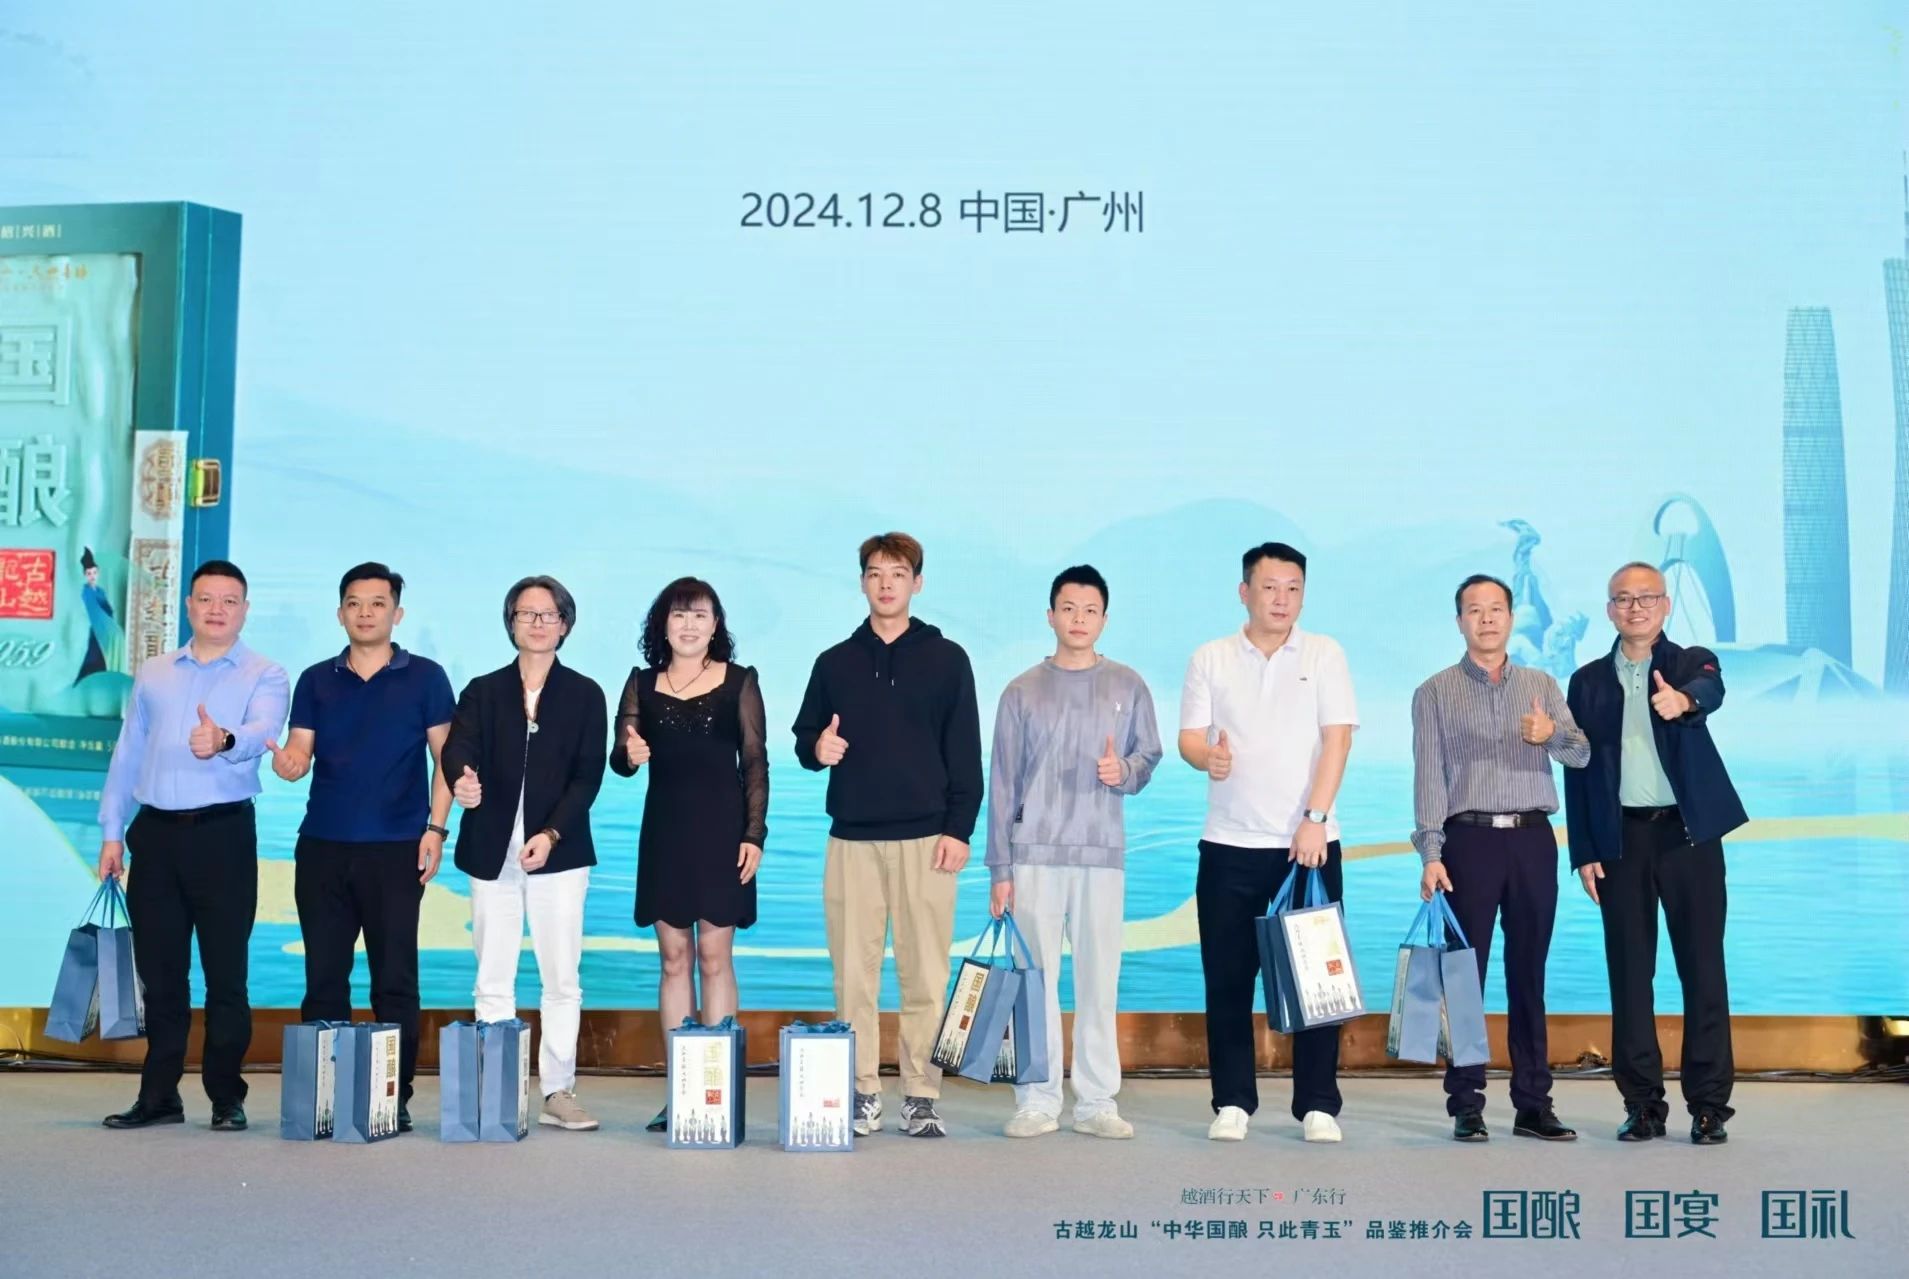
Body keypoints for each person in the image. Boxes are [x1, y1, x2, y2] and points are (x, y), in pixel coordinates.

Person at [792, 532, 983, 1139]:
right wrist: (817, 748)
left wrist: (958, 830)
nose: (886, 583)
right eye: (875, 573)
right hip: (851, 841)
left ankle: (921, 1094)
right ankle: (861, 1091)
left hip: (928, 840)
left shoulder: (947, 659)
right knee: (855, 974)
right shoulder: (834, 662)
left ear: (917, 583)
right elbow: (804, 739)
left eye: (898, 573)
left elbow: (966, 754)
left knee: (925, 975)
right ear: (862, 582)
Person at [96, 560, 289, 1131]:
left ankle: (227, 1097)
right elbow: (127, 753)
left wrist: (223, 738)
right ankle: (159, 1096)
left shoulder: (266, 673)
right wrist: (112, 832)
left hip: (223, 836)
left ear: (245, 610)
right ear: (188, 606)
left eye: (229, 601)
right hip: (154, 836)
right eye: (206, 599)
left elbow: (262, 732)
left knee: (226, 975)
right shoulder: (154, 672)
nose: (216, 610)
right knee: (161, 976)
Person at [1179, 542, 1357, 1144]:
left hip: (1309, 846)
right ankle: (1232, 1101)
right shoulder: (1210, 657)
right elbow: (1189, 738)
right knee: (1228, 981)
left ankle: (1318, 1104)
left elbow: (1337, 740)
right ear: (1244, 592)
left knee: (1318, 982)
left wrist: (1315, 817)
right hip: (1228, 846)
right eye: (1270, 587)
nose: (1282, 599)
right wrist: (1208, 757)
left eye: (1293, 588)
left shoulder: (1325, 653)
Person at [268, 562, 455, 1133]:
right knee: (324, 977)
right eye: (355, 603)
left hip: (397, 848)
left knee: (394, 980)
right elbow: (299, 753)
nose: (366, 613)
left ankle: (391, 1096)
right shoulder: (316, 679)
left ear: (397, 613)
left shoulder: (426, 677)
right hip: (322, 847)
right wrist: (286, 764)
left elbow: (446, 760)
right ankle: (324, 1096)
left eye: (378, 603)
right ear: (340, 613)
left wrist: (436, 829)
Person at [1564, 561, 1746, 1145]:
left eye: (1646, 597)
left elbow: (1712, 689)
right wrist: (1584, 848)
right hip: (1621, 840)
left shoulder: (1690, 662)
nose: (1635, 607)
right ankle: (1642, 1103)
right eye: (1623, 598)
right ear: (1609, 610)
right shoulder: (1587, 681)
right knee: (1629, 973)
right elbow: (1578, 769)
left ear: (1665, 605)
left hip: (1688, 836)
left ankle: (1709, 1105)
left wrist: (1684, 702)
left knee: (1703, 969)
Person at [1411, 573, 1589, 1143]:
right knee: (1465, 976)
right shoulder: (1434, 692)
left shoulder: (1541, 683)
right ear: (1459, 621)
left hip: (1533, 839)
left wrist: (1550, 733)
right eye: (1474, 610)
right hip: (1469, 842)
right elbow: (1429, 777)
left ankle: (1533, 1103)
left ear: (1511, 618)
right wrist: (1431, 852)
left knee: (1528, 974)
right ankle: (1466, 1102)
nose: (1486, 619)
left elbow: (1581, 754)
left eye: (1496, 609)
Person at [987, 565, 1161, 1140]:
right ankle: (1036, 1100)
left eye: (1090, 610)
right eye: (1068, 608)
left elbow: (1149, 756)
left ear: (1104, 619)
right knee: (1033, 982)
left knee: (1098, 981)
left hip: (1101, 853)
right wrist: (1000, 869)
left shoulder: (1128, 685)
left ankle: (1096, 1102)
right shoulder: (1021, 691)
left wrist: (1123, 771)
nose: (1078, 619)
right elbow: (1003, 784)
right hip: (1033, 854)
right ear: (1050, 616)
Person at [442, 576, 608, 1132]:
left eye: (548, 614)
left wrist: (552, 833)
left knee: (561, 978)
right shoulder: (484, 690)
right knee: (493, 974)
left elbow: (587, 777)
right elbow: (458, 749)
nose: (537, 623)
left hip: (559, 854)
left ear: (565, 624)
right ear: (510, 622)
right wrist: (462, 780)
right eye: (526, 613)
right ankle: (495, 1090)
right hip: (492, 852)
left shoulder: (585, 694)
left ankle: (558, 1091)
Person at [610, 577, 768, 1135]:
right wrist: (629, 755)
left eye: (700, 615)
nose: (689, 625)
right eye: (679, 615)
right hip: (665, 834)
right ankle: (682, 1090)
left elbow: (755, 761)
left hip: (723, 833)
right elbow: (621, 759)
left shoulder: (740, 681)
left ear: (715, 624)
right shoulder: (640, 684)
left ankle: (715, 1087)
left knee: (713, 956)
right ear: (663, 624)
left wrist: (754, 834)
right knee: (673, 958)